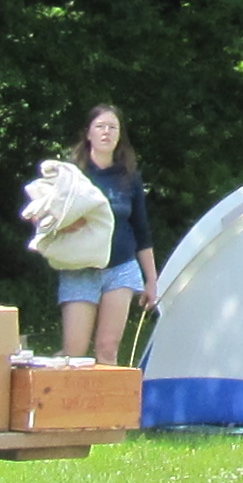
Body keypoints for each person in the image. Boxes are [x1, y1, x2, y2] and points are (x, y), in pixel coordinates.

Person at [58, 104, 160, 363]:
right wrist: (66, 225)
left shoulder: (129, 177)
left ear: (119, 136)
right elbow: (47, 218)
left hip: (121, 269)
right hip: (80, 268)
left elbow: (141, 230)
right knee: (74, 351)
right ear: (88, 133)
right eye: (100, 127)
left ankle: (107, 404)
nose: (106, 133)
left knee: (107, 349)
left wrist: (151, 280)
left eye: (112, 128)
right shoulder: (72, 175)